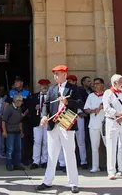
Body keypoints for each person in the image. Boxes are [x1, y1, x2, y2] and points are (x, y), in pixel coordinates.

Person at [36, 65, 82, 193]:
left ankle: (73, 183)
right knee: (51, 153)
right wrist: (44, 116)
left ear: (65, 74)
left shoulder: (73, 88)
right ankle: (47, 181)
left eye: (58, 74)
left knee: (69, 153)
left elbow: (79, 103)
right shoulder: (52, 89)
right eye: (55, 74)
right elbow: (46, 104)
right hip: (53, 123)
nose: (55, 76)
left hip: (67, 119)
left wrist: (68, 102)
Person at [102, 74, 122, 179]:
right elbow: (106, 108)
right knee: (111, 147)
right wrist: (117, 114)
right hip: (112, 122)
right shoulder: (108, 93)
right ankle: (111, 171)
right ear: (114, 83)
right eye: (121, 81)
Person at [66, 74, 88, 168]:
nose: (69, 83)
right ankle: (66, 163)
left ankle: (83, 161)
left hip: (79, 114)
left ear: (75, 82)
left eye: (71, 81)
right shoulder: (64, 90)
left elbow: (85, 102)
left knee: (81, 139)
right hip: (67, 114)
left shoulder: (80, 90)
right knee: (67, 140)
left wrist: (83, 111)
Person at [83, 78, 105, 174]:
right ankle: (95, 166)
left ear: (102, 85)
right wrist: (93, 110)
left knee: (109, 145)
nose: (95, 85)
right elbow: (86, 109)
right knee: (94, 146)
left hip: (105, 123)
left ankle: (112, 167)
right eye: (94, 84)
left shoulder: (107, 95)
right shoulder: (91, 96)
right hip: (93, 123)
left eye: (97, 83)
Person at [29, 79, 50, 170]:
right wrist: (34, 107)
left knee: (46, 142)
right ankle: (35, 161)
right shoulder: (34, 96)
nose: (44, 87)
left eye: (46, 85)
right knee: (37, 141)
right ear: (40, 86)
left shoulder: (51, 96)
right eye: (42, 85)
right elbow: (29, 108)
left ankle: (44, 161)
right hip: (37, 121)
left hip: (47, 121)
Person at [2, 93, 25, 171]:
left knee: (18, 149)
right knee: (10, 149)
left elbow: (20, 121)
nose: (22, 102)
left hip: (17, 131)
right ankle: (9, 164)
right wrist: (4, 131)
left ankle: (17, 164)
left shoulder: (19, 109)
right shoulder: (9, 108)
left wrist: (21, 130)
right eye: (21, 101)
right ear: (16, 101)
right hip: (10, 132)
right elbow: (4, 120)